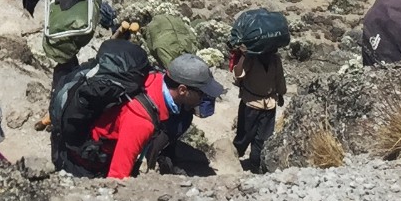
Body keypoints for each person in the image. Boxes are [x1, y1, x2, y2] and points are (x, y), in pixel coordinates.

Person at [91, 53, 224, 179]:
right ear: (182, 90)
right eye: (201, 93)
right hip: (91, 161)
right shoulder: (142, 120)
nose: (204, 98)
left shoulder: (154, 79)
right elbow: (117, 177)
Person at [230, 43, 285, 174]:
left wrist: (281, 93)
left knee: (263, 137)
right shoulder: (250, 58)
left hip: (269, 104)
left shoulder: (275, 60)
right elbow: (239, 74)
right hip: (250, 103)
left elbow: (279, 78)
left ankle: (255, 164)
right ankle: (233, 159)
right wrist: (243, 56)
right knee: (244, 136)